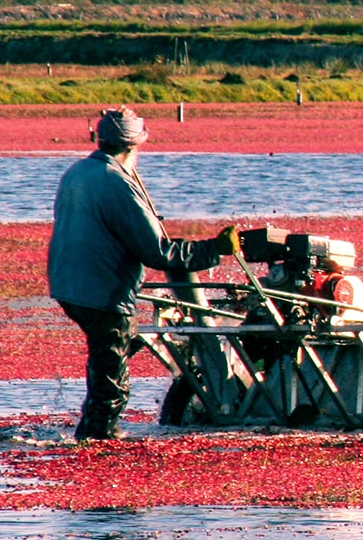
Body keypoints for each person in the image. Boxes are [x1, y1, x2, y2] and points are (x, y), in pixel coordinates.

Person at [48, 107, 237, 441]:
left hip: (68, 284)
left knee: (110, 351)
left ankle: (91, 428)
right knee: (113, 384)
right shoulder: (117, 183)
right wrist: (215, 249)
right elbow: (159, 252)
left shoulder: (76, 172)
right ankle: (99, 441)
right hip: (100, 291)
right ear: (134, 145)